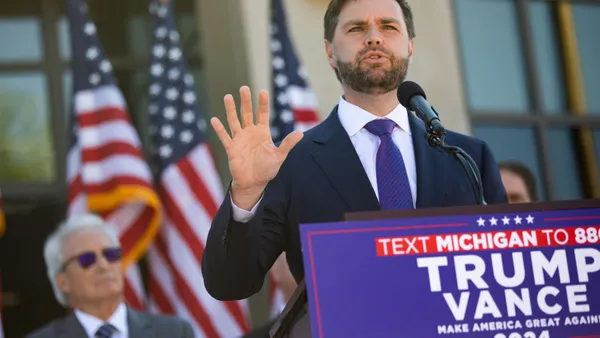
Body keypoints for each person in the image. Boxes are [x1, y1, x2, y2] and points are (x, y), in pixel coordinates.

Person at [202, 0, 508, 302]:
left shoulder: (467, 157)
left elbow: (506, 272)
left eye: (388, 27)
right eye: (356, 28)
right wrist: (246, 195)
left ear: (410, 47)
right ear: (330, 52)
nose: (374, 37)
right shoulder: (292, 162)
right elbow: (231, 284)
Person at [27, 214, 194, 338]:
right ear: (63, 281)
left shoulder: (175, 333)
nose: (103, 265)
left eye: (111, 254)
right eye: (87, 259)